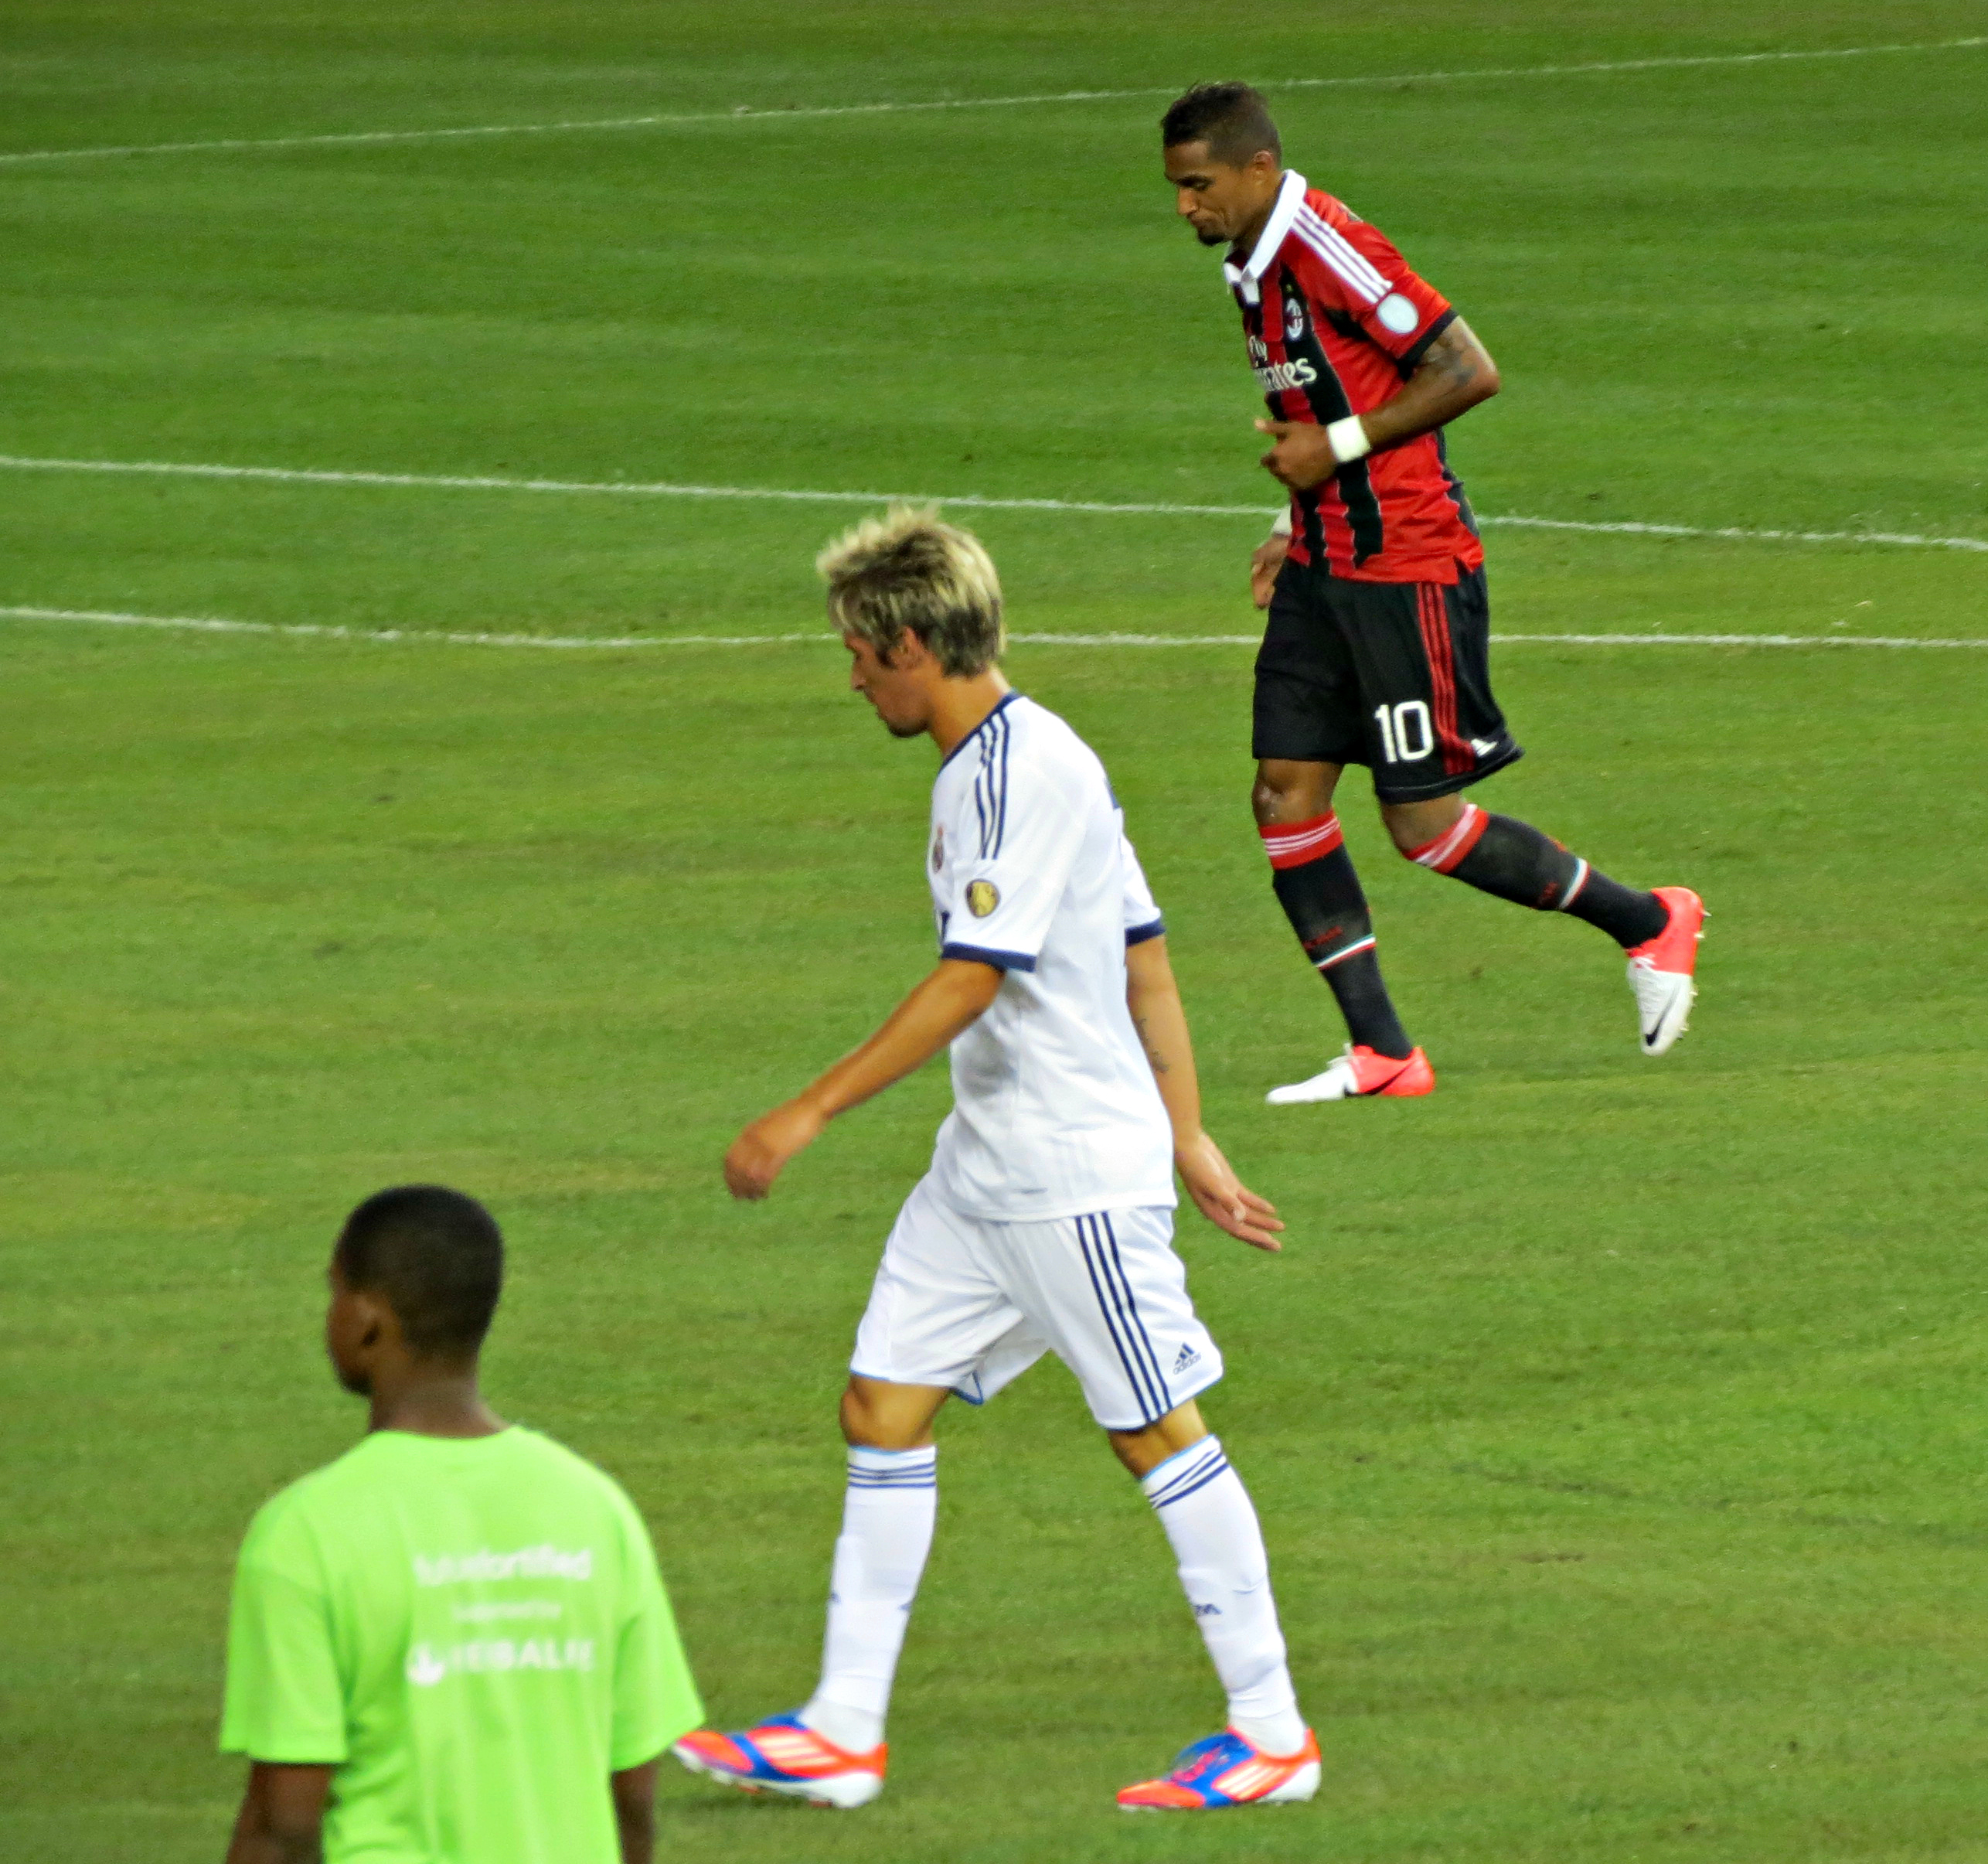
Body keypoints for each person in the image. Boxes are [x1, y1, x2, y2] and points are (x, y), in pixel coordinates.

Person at [671, 508, 1318, 1813]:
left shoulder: (1018, 775)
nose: (852, 676)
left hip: (1066, 1170)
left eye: (860, 652)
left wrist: (802, 1114)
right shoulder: (1030, 758)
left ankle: (1271, 1735)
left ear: (911, 643)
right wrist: (1185, 1129)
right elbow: (1142, 953)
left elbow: (974, 979)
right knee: (882, 1404)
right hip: (988, 1165)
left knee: (1155, 1430)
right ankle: (843, 1728)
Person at [1159, 82, 1704, 1102]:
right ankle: (1386, 1052)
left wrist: (1339, 450)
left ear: (1258, 170)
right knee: (1284, 790)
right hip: (1326, 563)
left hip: (1405, 565)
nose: (1186, 208)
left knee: (1426, 826)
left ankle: (1649, 920)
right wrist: (1293, 516)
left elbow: (1467, 367)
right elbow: (1316, 397)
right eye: (1178, 191)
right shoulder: (1253, 262)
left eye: (1199, 187)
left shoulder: (1331, 247)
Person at [218, 1185, 702, 1864]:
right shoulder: (597, 1511)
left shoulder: (306, 1533)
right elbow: (632, 1803)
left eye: (334, 1291)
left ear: (365, 1319)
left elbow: (284, 1824)